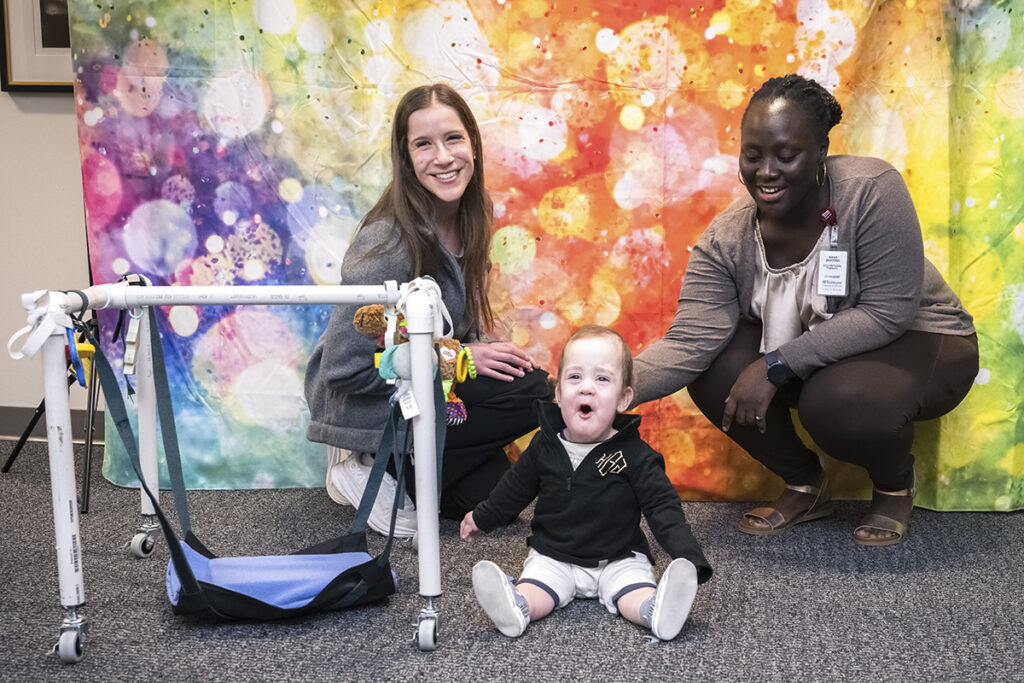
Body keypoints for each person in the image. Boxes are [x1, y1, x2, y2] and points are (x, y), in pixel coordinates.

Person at [632, 74, 979, 547]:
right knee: (713, 367)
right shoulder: (727, 238)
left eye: (785, 155)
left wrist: (775, 365)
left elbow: (887, 311)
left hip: (923, 340)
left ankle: (895, 484)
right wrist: (607, 385)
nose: (765, 171)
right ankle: (805, 485)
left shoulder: (871, 189)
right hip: (820, 355)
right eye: (752, 155)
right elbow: (689, 340)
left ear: (820, 151)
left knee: (838, 401)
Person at [304, 83, 551, 537]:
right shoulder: (387, 241)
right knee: (532, 392)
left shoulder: (473, 215)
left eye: (453, 139)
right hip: (369, 404)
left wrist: (476, 347)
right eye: (424, 144)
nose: (443, 157)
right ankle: (363, 461)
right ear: (406, 158)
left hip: (429, 391)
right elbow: (343, 369)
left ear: (473, 145)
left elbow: (455, 319)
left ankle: (401, 472)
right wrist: (463, 358)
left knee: (493, 495)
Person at [460, 325, 713, 640]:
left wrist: (687, 555)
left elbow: (663, 508)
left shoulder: (635, 455)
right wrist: (481, 517)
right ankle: (518, 606)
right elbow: (514, 489)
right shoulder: (545, 445)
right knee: (538, 582)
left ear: (624, 399)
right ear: (558, 393)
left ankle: (655, 610)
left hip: (618, 556)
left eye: (602, 379)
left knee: (632, 589)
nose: (586, 388)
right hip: (555, 554)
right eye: (575, 377)